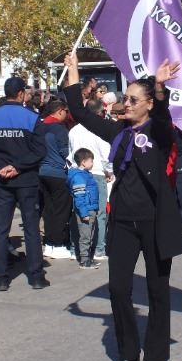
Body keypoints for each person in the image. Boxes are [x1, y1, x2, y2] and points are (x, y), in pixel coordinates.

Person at [63, 51, 182, 361]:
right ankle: (128, 354)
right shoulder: (118, 132)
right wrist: (74, 71)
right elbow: (79, 111)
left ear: (147, 104)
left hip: (155, 221)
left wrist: (159, 87)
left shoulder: (160, 132)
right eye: (126, 98)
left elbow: (162, 115)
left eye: (134, 100)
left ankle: (156, 353)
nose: (127, 104)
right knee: (118, 288)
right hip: (123, 220)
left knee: (157, 289)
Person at [0, 76, 48, 292]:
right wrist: (18, 167)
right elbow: (40, 151)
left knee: (1, 229)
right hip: (26, 180)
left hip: (2, 181)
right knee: (31, 229)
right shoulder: (32, 117)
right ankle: (36, 277)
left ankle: (1, 278)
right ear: (20, 94)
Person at [68, 99, 114, 260]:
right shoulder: (100, 129)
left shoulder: (73, 130)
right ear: (99, 112)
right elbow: (106, 155)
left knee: (78, 211)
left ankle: (75, 248)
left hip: (77, 172)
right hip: (96, 173)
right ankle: (99, 249)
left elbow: (71, 153)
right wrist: (109, 171)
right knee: (100, 212)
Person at [38, 100, 74, 260]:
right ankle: (58, 245)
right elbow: (65, 152)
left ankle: (50, 244)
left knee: (49, 209)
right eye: (66, 111)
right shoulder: (59, 128)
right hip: (58, 173)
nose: (67, 114)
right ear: (60, 111)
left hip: (42, 172)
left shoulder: (40, 126)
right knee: (61, 210)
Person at [67, 148, 100, 269]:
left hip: (91, 208)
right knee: (85, 235)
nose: (92, 163)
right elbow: (79, 197)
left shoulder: (86, 175)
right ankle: (84, 260)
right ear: (83, 162)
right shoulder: (79, 177)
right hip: (86, 210)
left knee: (89, 234)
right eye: (91, 161)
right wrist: (84, 213)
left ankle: (88, 258)